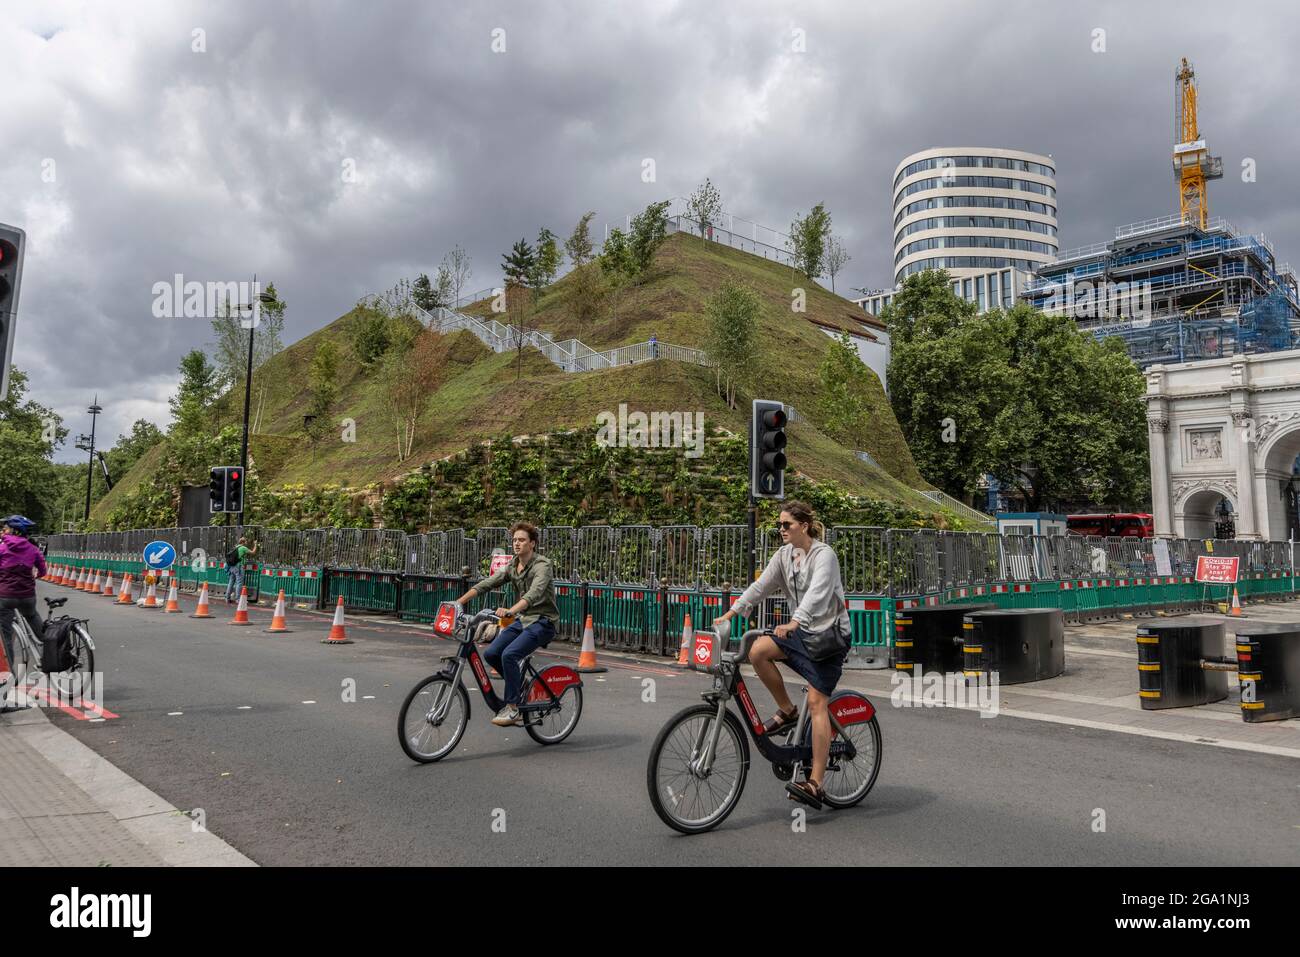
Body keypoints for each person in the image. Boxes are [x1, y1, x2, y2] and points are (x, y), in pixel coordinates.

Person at [712, 501, 850, 809]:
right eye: (779, 525)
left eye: (786, 524)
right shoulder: (784, 556)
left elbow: (819, 593)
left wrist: (794, 622)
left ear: (803, 525)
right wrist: (732, 613)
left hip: (828, 638)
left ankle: (815, 782)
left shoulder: (824, 556)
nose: (781, 529)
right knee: (758, 649)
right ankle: (787, 710)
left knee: (817, 703)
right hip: (800, 633)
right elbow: (760, 587)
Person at [454, 522, 558, 727]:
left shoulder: (542, 565)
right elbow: (488, 583)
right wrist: (458, 602)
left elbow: (534, 593)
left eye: (522, 540)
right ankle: (521, 684)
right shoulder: (513, 565)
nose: (517, 544)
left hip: (543, 621)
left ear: (532, 544)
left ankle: (513, 708)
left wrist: (511, 610)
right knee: (492, 654)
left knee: (510, 655)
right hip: (524, 620)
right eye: (515, 540)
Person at [0, 516, 47, 698]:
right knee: (37, 623)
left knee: (5, 639)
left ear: (13, 530)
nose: (4, 531)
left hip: (5, 598)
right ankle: (51, 652)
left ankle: (7, 678)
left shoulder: (2, 547)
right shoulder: (33, 549)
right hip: (27, 597)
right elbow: (42, 571)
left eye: (6, 528)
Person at [225, 536, 258, 604]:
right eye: (245, 542)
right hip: (239, 567)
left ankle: (227, 598)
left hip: (232, 567)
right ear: (243, 542)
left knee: (231, 582)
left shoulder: (235, 547)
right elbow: (253, 552)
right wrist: (255, 545)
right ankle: (238, 599)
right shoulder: (243, 548)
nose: (246, 543)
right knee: (239, 582)